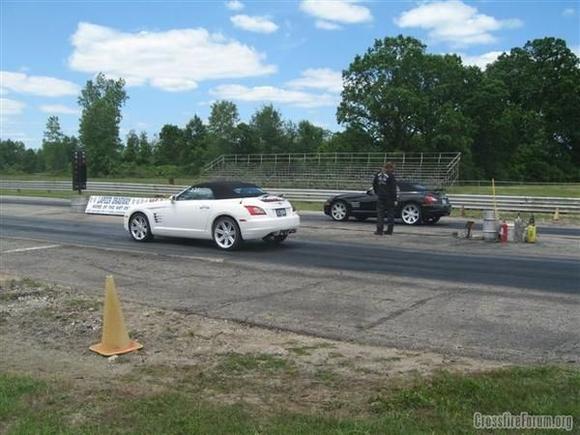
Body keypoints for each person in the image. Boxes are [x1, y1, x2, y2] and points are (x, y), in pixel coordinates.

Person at [372, 162, 397, 235]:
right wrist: (395, 199)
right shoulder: (391, 176)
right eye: (392, 168)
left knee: (380, 214)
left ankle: (379, 230)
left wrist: (377, 192)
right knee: (390, 214)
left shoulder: (378, 174)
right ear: (390, 168)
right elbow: (393, 188)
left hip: (380, 196)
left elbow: (374, 184)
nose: (393, 170)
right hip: (390, 197)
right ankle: (389, 230)